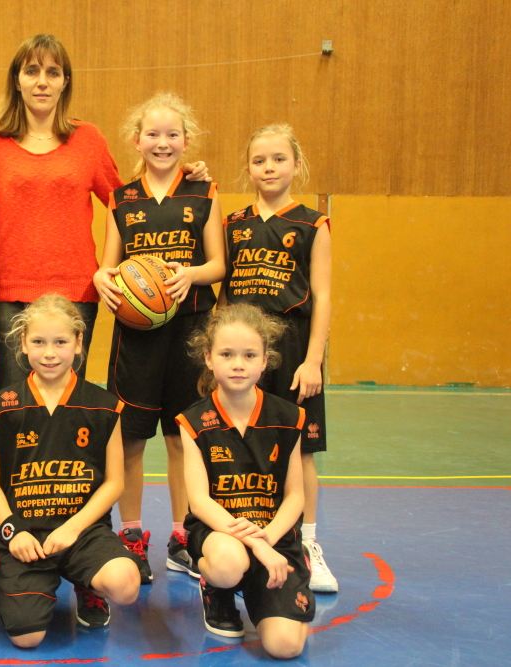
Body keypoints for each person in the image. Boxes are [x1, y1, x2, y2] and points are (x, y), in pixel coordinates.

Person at [0, 34, 211, 391]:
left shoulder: (88, 139)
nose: (42, 81)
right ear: (16, 80)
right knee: (12, 403)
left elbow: (128, 200)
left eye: (53, 73)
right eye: (32, 71)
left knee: (69, 403)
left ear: (65, 82)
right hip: (9, 294)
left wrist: (178, 174)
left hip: (76, 292)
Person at [93, 93, 225, 584]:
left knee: (181, 437)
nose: (162, 142)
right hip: (137, 336)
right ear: (137, 141)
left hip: (190, 331)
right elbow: (108, 265)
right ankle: (131, 535)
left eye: (172, 134)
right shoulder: (122, 198)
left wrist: (191, 274)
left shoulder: (204, 192)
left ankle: (182, 536)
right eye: (153, 134)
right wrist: (102, 277)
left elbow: (219, 264)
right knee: (130, 439)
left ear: (186, 141)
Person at [0, 294, 140, 648]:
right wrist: (12, 530)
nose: (49, 353)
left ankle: (88, 583)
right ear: (23, 343)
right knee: (27, 637)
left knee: (126, 584)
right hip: (25, 534)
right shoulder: (1, 407)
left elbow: (114, 482)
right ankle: (32, 584)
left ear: (79, 343)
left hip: (81, 530)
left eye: (61, 342)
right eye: (38, 342)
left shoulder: (104, 406)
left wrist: (73, 528)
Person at [220, 124, 336, 593]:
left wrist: (313, 360)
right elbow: (224, 294)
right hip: (241, 352)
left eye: (279, 159)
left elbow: (323, 297)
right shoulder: (232, 224)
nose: (268, 168)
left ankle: (307, 543)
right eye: (259, 160)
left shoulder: (312, 224)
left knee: (300, 448)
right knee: (236, 444)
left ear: (296, 165)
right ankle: (235, 539)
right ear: (248, 168)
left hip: (291, 351)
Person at [177, 304, 314, 659]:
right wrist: (255, 546)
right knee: (227, 565)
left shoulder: (288, 417)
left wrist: (267, 539)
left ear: (265, 360)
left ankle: (280, 581)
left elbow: (295, 496)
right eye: (227, 354)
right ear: (208, 358)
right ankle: (216, 587)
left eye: (249, 355)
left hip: (274, 534)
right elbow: (200, 502)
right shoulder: (193, 421)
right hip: (220, 534)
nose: (238, 364)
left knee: (285, 647)